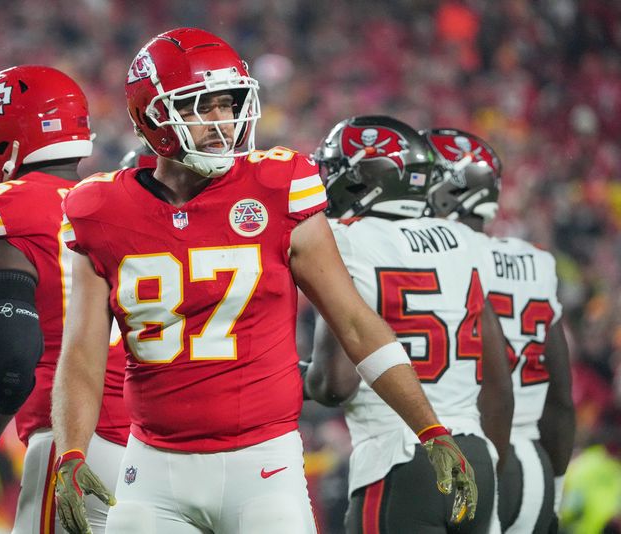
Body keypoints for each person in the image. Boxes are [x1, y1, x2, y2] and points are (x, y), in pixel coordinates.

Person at [51, 28, 477, 534]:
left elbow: (355, 323)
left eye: (228, 105)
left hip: (263, 466)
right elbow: (81, 353)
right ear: (152, 116)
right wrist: (70, 452)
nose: (221, 123)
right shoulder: (100, 209)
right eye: (200, 107)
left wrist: (430, 428)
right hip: (152, 471)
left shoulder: (278, 187)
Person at [305, 115, 513, 533]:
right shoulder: (465, 241)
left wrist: (293, 379)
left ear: (365, 180)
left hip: (400, 456)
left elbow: (335, 384)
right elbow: (499, 386)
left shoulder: (342, 239)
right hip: (475, 456)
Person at [0, 65, 129, 534]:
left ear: (8, 138)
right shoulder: (116, 203)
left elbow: (8, 361)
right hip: (157, 448)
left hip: (73, 446)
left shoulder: (8, 209)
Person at [424, 127, 575, 533]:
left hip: (463, 457)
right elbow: (560, 399)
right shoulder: (535, 261)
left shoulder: (434, 258)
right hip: (533, 464)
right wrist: (554, 487)